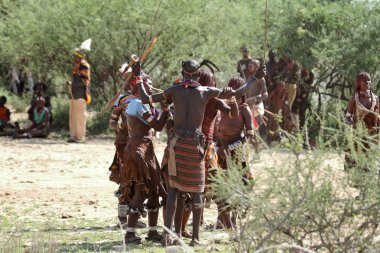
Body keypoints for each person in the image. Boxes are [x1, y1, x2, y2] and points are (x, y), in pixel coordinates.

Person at [136, 59, 266, 246]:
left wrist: (138, 76)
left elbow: (145, 98)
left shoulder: (173, 91)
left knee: (174, 189)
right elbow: (238, 93)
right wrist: (256, 78)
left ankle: (167, 234)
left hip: (177, 144)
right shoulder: (207, 93)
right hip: (197, 146)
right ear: (198, 75)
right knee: (197, 191)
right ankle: (196, 238)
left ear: (182, 73)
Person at [121, 69, 168, 244]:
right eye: (146, 83)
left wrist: (163, 110)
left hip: (142, 149)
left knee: (154, 189)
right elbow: (157, 126)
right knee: (141, 191)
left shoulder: (140, 103)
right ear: (138, 87)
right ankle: (130, 234)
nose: (150, 85)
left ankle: (152, 232)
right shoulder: (139, 103)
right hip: (139, 151)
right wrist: (165, 111)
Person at [217, 76, 254, 228]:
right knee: (222, 184)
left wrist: (230, 147)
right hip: (222, 152)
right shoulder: (223, 107)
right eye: (230, 88)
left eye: (235, 89)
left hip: (238, 152)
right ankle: (221, 219)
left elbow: (249, 134)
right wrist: (219, 146)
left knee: (237, 184)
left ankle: (233, 218)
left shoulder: (245, 110)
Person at [66, 47, 91, 143]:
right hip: (74, 95)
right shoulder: (77, 66)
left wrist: (72, 84)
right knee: (73, 116)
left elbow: (85, 82)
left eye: (75, 55)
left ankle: (81, 137)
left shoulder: (84, 66)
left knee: (80, 117)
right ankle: (74, 136)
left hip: (81, 95)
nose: (74, 57)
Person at [245, 59, 268, 130]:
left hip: (257, 105)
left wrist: (255, 99)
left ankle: (263, 138)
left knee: (260, 124)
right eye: (248, 66)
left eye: (251, 66)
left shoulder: (261, 79)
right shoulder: (249, 78)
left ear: (257, 67)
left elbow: (265, 94)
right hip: (249, 105)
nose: (249, 68)